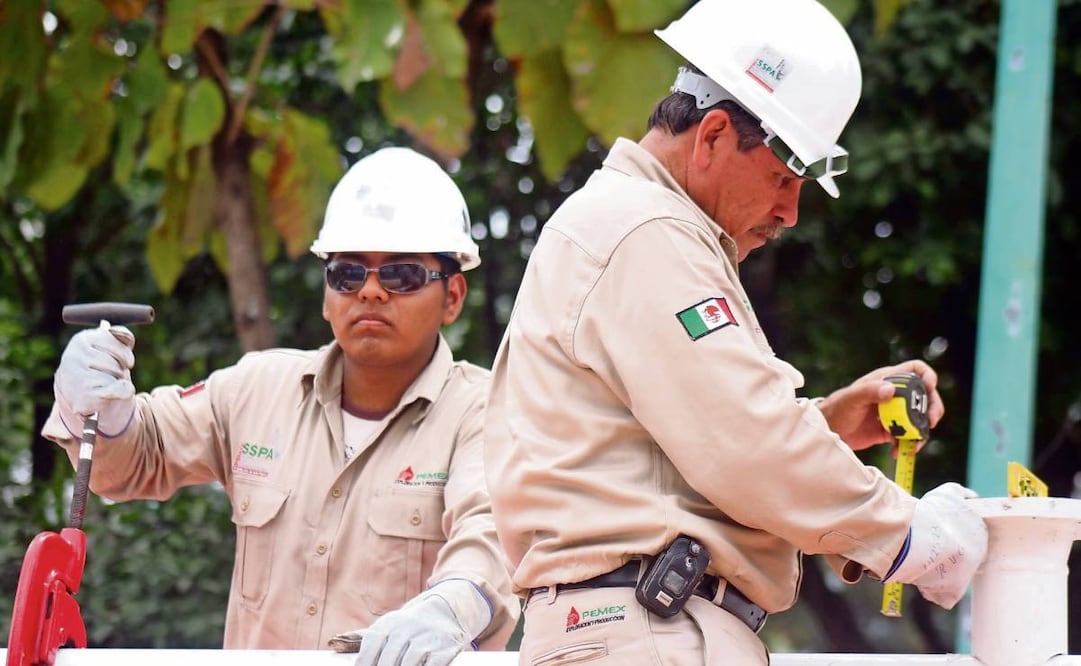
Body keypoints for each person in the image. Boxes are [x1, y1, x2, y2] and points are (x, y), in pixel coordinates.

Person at [482, 0, 988, 663]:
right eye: (781, 177)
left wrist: (825, 426)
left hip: (635, 624)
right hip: (649, 630)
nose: (788, 209)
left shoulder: (628, 227)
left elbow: (696, 451)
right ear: (713, 135)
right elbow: (747, 444)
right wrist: (914, 538)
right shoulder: (647, 231)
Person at [44, 147, 519, 665]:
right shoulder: (257, 389)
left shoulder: (483, 411)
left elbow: (492, 536)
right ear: (326, 295)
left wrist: (450, 609)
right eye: (348, 274)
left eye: (401, 275)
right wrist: (97, 410)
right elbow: (137, 458)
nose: (372, 293)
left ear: (452, 296)